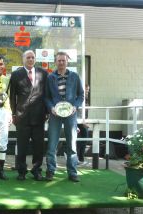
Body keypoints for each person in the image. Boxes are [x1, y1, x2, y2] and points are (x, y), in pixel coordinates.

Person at [45, 51, 84, 182]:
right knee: (52, 144)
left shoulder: (74, 76)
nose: (61, 62)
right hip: (55, 115)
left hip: (70, 115)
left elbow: (81, 95)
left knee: (72, 144)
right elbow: (46, 97)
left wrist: (75, 107)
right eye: (59, 60)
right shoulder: (50, 77)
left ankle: (72, 172)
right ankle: (50, 170)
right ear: (55, 62)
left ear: (67, 61)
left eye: (63, 60)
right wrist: (51, 108)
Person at [10, 50, 48, 181]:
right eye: (28, 57)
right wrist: (13, 114)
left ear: (35, 59)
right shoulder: (16, 75)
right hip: (22, 117)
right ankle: (21, 171)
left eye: (32, 57)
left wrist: (47, 112)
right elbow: (12, 96)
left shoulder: (43, 73)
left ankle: (37, 170)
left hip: (39, 116)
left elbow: (46, 95)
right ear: (23, 59)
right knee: (22, 146)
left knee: (39, 146)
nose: (30, 59)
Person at [77, 84, 90, 164]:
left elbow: (85, 112)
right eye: (86, 89)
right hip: (78, 121)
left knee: (84, 139)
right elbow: (79, 111)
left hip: (83, 121)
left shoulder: (86, 98)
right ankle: (79, 158)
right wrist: (83, 121)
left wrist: (86, 120)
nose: (87, 91)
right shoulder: (80, 97)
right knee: (81, 139)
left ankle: (81, 158)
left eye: (88, 90)